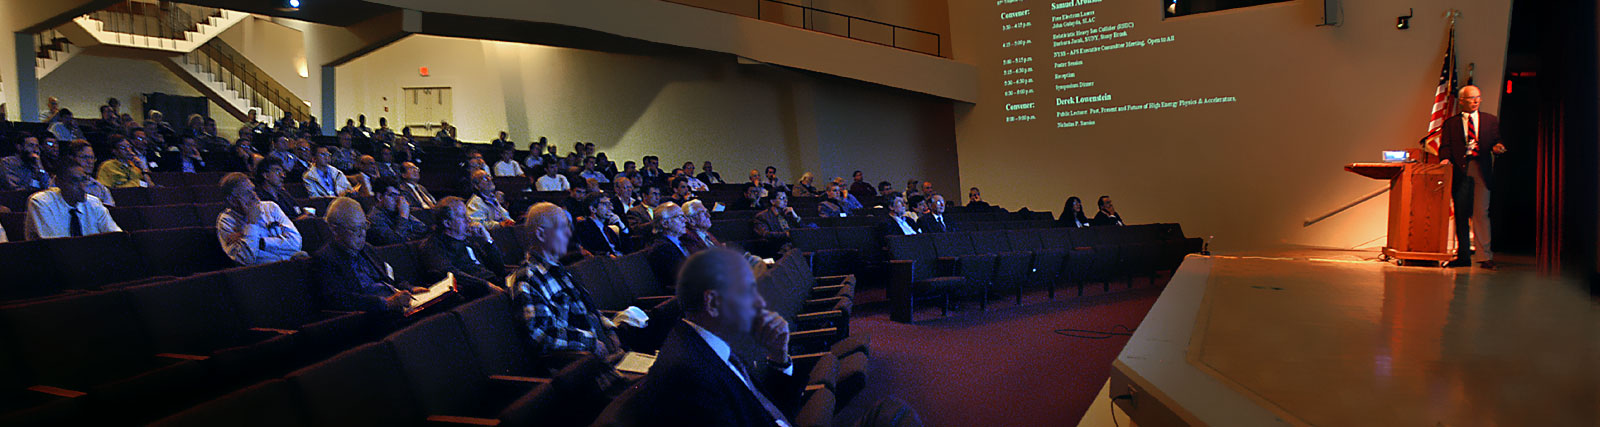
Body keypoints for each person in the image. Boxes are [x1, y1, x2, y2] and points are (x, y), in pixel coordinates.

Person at [597, 248, 803, 426]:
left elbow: (765, 407)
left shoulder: (709, 341)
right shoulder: (689, 376)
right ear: (712, 302)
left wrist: (779, 357)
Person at [510, 202, 625, 364]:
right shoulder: (528, 279)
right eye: (562, 228)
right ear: (541, 234)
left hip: (603, 354)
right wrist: (590, 343)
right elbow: (541, 334)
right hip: (582, 365)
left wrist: (609, 328)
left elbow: (586, 308)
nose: (569, 234)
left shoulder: (558, 268)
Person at [313, 197, 426, 315]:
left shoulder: (367, 248)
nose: (362, 234)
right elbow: (340, 300)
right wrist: (386, 303)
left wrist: (409, 288)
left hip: (398, 306)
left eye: (364, 226)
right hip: (372, 315)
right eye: (355, 229)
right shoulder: (325, 259)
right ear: (335, 229)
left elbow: (389, 274)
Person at [1438, 85, 1507, 269]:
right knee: (1461, 214)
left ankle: (1485, 256)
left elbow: (1496, 140)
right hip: (1461, 171)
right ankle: (1463, 257)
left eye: (1478, 97)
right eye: (1471, 98)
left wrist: (1497, 147)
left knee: (1481, 212)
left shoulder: (1490, 120)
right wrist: (1444, 159)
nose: (1476, 101)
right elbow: (1445, 146)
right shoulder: (1451, 123)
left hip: (1481, 170)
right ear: (1461, 101)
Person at [419, 196, 506, 295]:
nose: (468, 220)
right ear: (447, 223)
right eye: (463, 216)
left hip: (494, 285)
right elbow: (450, 274)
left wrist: (488, 241)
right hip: (476, 293)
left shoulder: (469, 241)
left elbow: (499, 269)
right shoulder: (433, 245)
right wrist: (486, 285)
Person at [216, 172, 303, 265]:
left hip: (294, 261)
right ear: (232, 200)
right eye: (247, 193)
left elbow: (296, 243)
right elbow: (246, 259)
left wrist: (259, 241)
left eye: (253, 190)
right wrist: (251, 223)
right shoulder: (226, 221)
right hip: (266, 271)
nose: (254, 195)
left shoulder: (270, 207)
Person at [23, 165, 120, 240]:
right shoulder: (41, 203)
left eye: (83, 180)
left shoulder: (93, 203)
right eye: (74, 181)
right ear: (58, 182)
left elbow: (117, 237)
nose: (82, 187)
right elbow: (56, 246)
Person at [366, 177, 429, 246]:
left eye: (398, 196)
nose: (398, 201)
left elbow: (423, 230)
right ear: (380, 197)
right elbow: (396, 243)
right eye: (393, 196)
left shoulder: (395, 211)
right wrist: (403, 216)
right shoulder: (374, 219)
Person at [646, 202, 691, 290]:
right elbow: (682, 279)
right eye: (679, 217)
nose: (685, 220)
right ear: (665, 223)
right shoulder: (663, 248)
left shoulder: (677, 242)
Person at [574, 193, 627, 257]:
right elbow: (589, 250)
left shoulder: (608, 230)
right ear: (593, 209)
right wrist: (607, 255)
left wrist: (622, 226)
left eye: (610, 204)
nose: (611, 208)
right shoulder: (584, 226)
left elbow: (627, 249)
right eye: (606, 204)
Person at [63, 140, 114, 206]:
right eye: (85, 157)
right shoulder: (59, 183)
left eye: (92, 158)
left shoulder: (100, 188)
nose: (90, 161)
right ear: (72, 158)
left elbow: (110, 211)